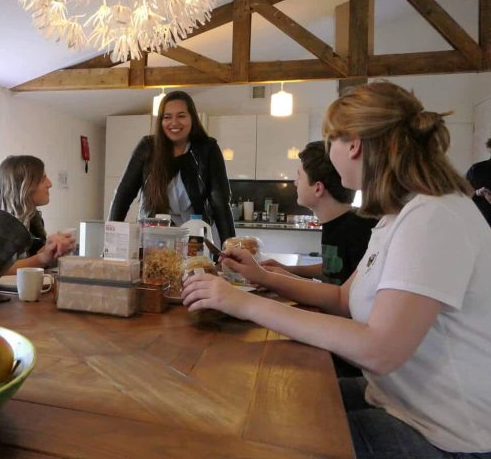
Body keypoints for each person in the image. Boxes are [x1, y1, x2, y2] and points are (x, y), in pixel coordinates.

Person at [182, 81, 491, 458]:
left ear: (354, 144)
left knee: (265, 430)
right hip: (396, 402)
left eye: (331, 141)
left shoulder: (433, 217)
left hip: (446, 435)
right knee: (260, 394)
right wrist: (263, 277)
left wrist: (243, 305)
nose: (330, 152)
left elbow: (379, 351)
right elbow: (344, 298)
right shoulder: (398, 215)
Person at [108, 90, 235, 245]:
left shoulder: (208, 148)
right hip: (154, 237)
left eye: (181, 116)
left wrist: (231, 247)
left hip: (195, 238)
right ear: (161, 121)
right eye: (167, 117)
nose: (174, 123)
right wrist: (110, 243)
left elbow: (220, 202)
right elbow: (123, 195)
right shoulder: (148, 147)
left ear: (192, 118)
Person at [262, 141, 377, 285]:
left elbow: (345, 297)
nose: (295, 183)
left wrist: (282, 278)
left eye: (299, 176)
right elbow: (333, 269)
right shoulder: (337, 222)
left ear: (318, 189)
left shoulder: (361, 230)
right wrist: (288, 269)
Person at [0, 155, 75, 273]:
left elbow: (31, 258)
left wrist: (53, 250)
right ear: (23, 186)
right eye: (43, 179)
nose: (49, 184)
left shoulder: (33, 219)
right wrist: (42, 257)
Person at [466, 137, 491, 227]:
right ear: (489, 149)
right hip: (480, 222)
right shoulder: (476, 169)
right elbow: (462, 193)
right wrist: (477, 193)